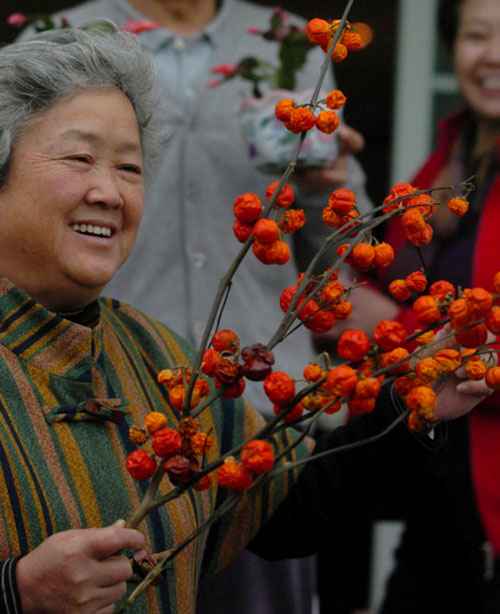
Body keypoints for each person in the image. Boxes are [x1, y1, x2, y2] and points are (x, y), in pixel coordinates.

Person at [0, 22, 493, 614]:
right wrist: (16, 590)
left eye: (129, 168)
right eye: (79, 158)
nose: (110, 192)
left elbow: (286, 508)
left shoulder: (156, 356)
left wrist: (413, 398)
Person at [332, 0, 500, 611]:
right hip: (436, 498)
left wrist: (395, 328)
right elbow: (384, 280)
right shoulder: (451, 159)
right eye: (477, 35)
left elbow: (396, 314)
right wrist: (330, 194)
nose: (493, 56)